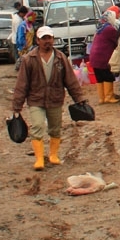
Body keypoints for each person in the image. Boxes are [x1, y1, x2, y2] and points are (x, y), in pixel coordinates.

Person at [11, 26, 87, 170]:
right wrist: (16, 107)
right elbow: (22, 84)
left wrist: (79, 98)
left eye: (49, 38)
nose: (47, 41)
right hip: (36, 100)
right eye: (44, 38)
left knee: (55, 128)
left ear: (53, 39)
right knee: (38, 126)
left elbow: (70, 80)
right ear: (37, 40)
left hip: (55, 99)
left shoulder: (60, 58)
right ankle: (39, 159)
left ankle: (53, 155)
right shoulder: (29, 59)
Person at [87, 7, 120, 104]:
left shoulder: (100, 28)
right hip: (103, 57)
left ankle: (102, 98)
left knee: (99, 78)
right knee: (107, 76)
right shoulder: (110, 29)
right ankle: (109, 97)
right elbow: (117, 41)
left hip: (94, 57)